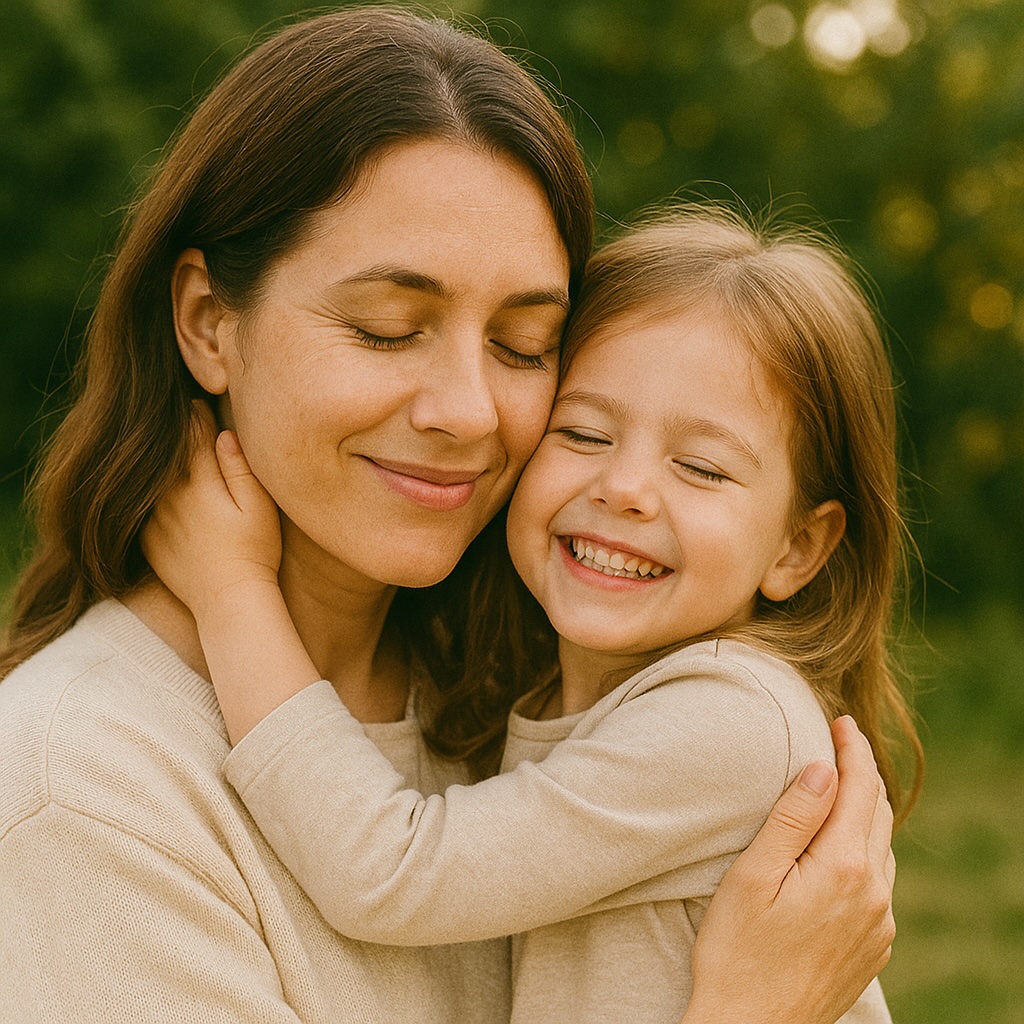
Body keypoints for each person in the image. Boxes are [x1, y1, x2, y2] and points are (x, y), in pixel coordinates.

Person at [0, 8, 896, 1024]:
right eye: (388, 329)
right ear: (210, 322)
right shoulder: (84, 798)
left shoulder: (521, 701)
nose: (468, 410)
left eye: (522, 345)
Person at [143, 205, 923, 1023]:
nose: (625, 488)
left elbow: (390, 874)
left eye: (700, 467)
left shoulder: (730, 720)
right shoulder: (565, 695)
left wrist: (232, 590)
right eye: (583, 433)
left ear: (798, 547)